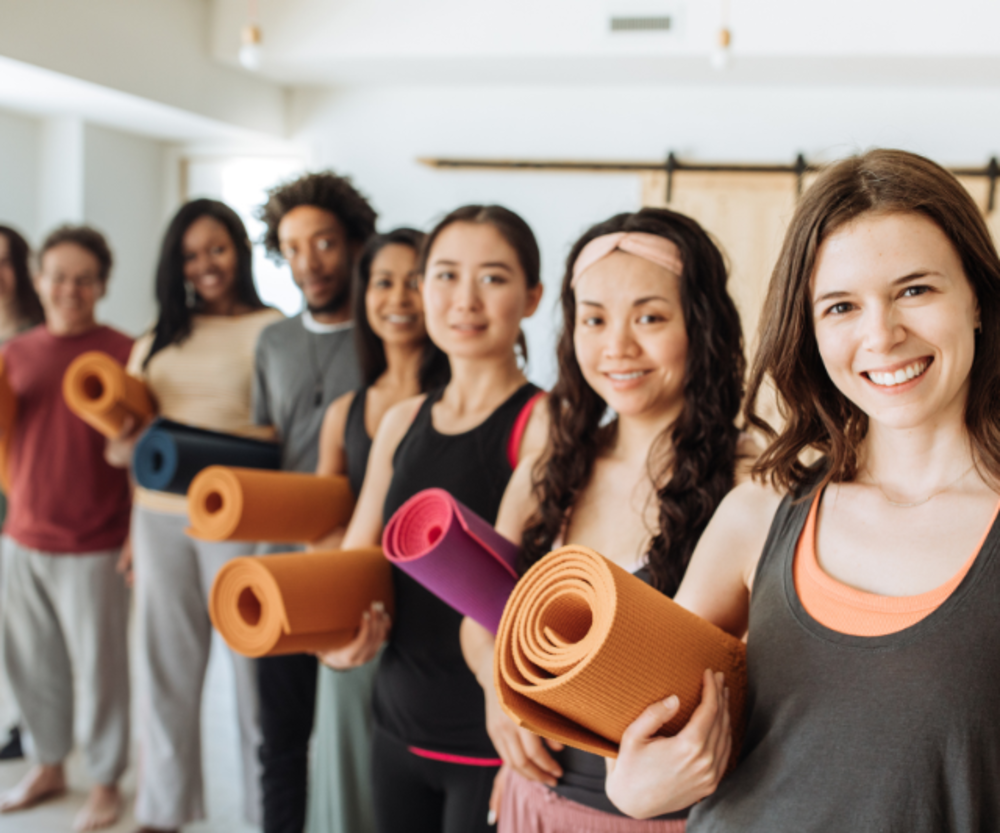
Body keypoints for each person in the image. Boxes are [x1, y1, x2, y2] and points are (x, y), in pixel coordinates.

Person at [604, 149, 1000, 832]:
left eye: (915, 290)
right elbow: (645, 732)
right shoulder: (758, 514)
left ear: (978, 302)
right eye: (841, 306)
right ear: (811, 332)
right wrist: (635, 787)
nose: (881, 334)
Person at [460, 208, 748, 832]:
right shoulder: (550, 468)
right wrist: (495, 690)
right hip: (533, 804)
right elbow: (481, 618)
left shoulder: (753, 478)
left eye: (650, 317)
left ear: (700, 326)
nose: (617, 347)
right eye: (594, 319)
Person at [320, 205, 547, 833]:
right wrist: (335, 638)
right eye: (445, 276)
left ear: (532, 297)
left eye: (493, 278)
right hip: (394, 721)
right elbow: (359, 562)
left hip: (490, 734)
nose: (464, 301)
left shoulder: (543, 425)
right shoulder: (402, 421)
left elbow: (508, 597)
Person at [106, 199, 283, 833]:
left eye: (217, 248)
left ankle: (269, 814)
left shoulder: (273, 329)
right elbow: (130, 446)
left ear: (238, 249)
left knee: (252, 676)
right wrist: (131, 531)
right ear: (174, 265)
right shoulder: (155, 339)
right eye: (190, 254)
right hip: (157, 521)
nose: (205, 264)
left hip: (240, 518)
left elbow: (283, 432)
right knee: (164, 669)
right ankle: (162, 813)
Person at [309, 227, 449, 833]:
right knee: (350, 784)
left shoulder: (462, 402)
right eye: (383, 281)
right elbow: (325, 528)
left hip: (437, 630)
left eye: (417, 281)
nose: (399, 296)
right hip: (360, 620)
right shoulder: (345, 412)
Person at [251, 170, 376, 833]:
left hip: (360, 564)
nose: (309, 262)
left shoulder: (387, 338)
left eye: (323, 243)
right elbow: (267, 445)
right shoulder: (272, 342)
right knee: (280, 739)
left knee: (360, 742)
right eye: (294, 247)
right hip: (279, 564)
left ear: (354, 242)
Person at [0, 225, 132, 832]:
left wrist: (136, 538)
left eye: (83, 278)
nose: (69, 289)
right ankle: (49, 764)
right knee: (31, 664)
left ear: (102, 284)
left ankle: (105, 781)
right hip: (23, 538)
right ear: (38, 280)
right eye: (58, 276)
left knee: (102, 672)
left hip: (97, 544)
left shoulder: (126, 352)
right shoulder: (15, 352)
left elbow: (142, 454)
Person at [0, 224, 44, 761]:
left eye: (6, 261)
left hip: (23, 500)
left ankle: (25, 725)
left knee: (21, 629)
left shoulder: (36, 339)